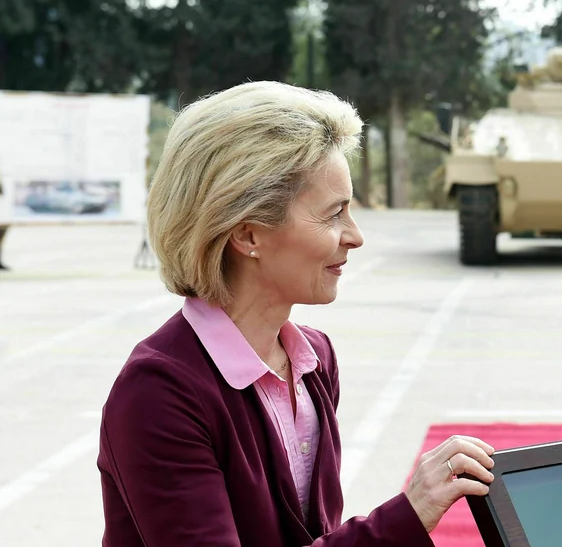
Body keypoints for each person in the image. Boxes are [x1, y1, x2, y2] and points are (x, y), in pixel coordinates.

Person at [98, 81, 495, 546]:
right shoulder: (158, 392)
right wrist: (405, 517)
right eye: (334, 214)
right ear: (248, 235)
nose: (355, 236)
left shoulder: (314, 360)